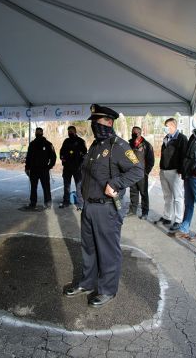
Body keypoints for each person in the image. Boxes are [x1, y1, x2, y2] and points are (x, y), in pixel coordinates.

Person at [64, 104, 144, 307]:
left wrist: (115, 184)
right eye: (93, 123)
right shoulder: (95, 146)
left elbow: (137, 170)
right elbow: (86, 172)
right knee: (88, 249)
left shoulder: (118, 146)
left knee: (108, 251)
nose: (94, 127)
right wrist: (81, 195)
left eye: (97, 122)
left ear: (109, 123)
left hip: (107, 208)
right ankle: (87, 283)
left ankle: (107, 290)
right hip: (89, 207)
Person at [156, 118, 188, 228]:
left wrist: (181, 171)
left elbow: (184, 156)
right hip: (164, 171)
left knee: (178, 197)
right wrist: (161, 168)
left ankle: (178, 220)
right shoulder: (166, 138)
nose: (165, 128)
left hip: (175, 172)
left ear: (173, 126)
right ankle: (167, 217)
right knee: (167, 196)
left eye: (167, 126)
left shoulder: (181, 138)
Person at [25, 127, 56, 210]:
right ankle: (33, 203)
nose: (37, 133)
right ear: (35, 133)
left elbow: (53, 157)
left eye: (39, 132)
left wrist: (49, 166)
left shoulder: (48, 144)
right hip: (34, 169)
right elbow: (28, 157)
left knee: (46, 187)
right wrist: (27, 168)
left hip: (44, 169)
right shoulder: (32, 144)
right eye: (36, 132)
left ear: (42, 133)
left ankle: (48, 202)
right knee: (33, 187)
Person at [127, 126, 155, 219]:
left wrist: (146, 172)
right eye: (132, 132)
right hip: (132, 173)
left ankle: (145, 212)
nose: (133, 134)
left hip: (142, 174)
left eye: (134, 132)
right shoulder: (130, 144)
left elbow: (151, 161)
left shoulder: (146, 145)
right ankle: (133, 210)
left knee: (143, 193)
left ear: (139, 133)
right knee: (133, 192)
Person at [59, 126, 87, 210]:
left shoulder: (81, 141)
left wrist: (81, 164)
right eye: (68, 131)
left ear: (75, 131)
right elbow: (61, 152)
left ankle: (80, 204)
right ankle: (66, 202)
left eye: (71, 131)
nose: (70, 132)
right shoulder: (66, 141)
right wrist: (62, 157)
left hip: (77, 168)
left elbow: (85, 153)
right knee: (66, 186)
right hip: (67, 167)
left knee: (79, 186)